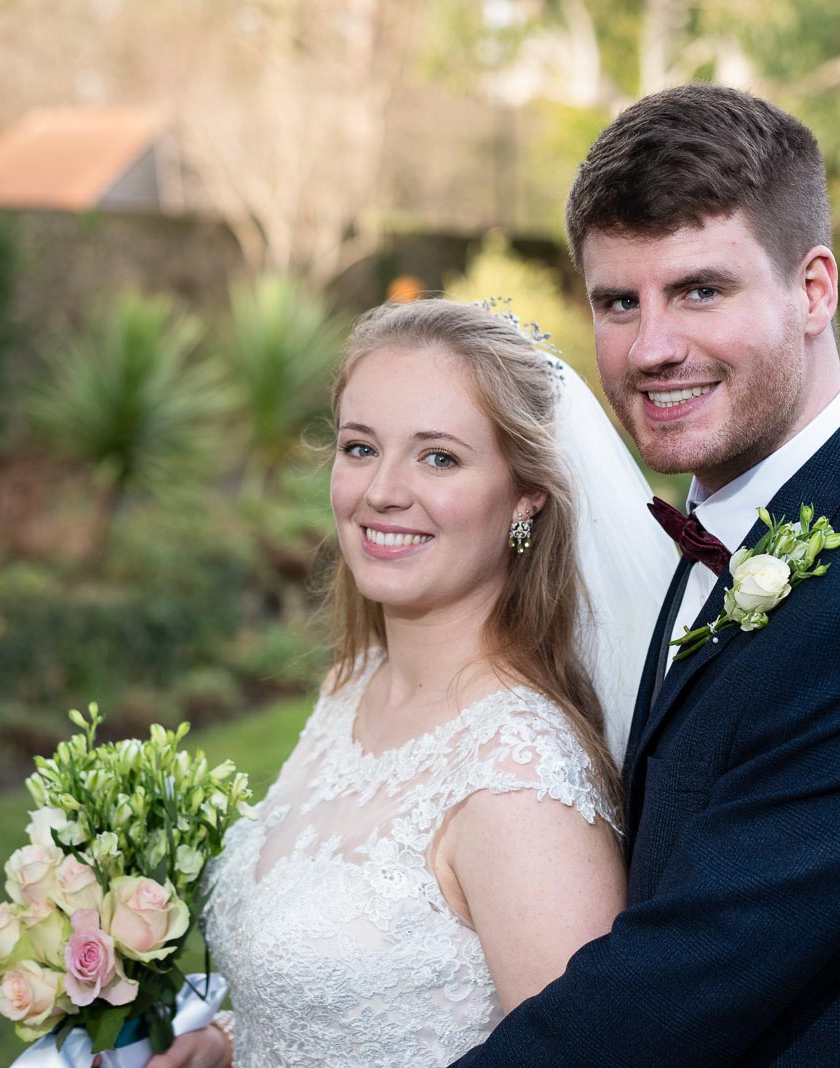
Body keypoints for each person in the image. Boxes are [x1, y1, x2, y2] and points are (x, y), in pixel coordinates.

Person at [449, 84, 840, 1066]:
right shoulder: (724, 520)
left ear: (813, 290)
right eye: (618, 302)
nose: (652, 347)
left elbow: (676, 989)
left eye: (700, 291)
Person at [145, 298, 674, 1067]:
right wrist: (232, 1043)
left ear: (526, 496)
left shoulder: (518, 778)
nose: (382, 491)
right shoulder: (353, 685)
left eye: (438, 457)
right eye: (360, 448)